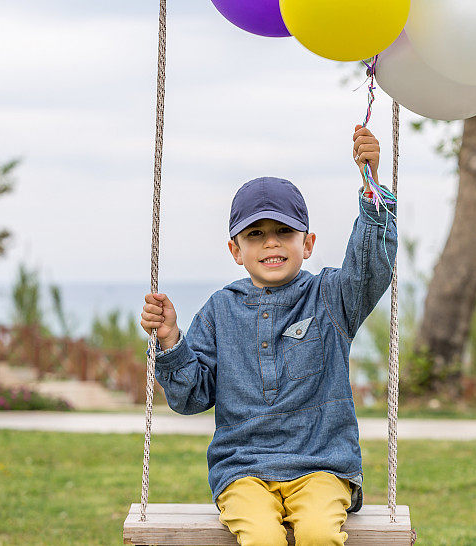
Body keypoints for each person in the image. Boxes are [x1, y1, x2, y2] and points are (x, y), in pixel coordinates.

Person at [139, 125, 397, 546]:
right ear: (235, 250)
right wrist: (170, 341)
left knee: (317, 533)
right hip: (243, 470)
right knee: (261, 537)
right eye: (255, 234)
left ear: (307, 242)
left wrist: (371, 185)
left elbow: (370, 267)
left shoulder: (330, 297)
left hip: (322, 466)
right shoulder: (220, 311)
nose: (270, 244)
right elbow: (191, 397)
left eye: (284, 232)